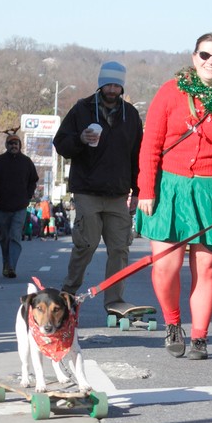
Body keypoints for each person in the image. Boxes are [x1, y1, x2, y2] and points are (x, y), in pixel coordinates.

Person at [135, 35, 212, 360]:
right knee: (165, 267)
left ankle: (200, 337)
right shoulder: (170, 92)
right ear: (194, 57)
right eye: (205, 55)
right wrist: (146, 189)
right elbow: (151, 145)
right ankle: (173, 323)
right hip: (170, 188)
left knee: (206, 267)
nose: (211, 62)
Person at [54, 61, 144, 312]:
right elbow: (60, 143)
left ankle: (114, 300)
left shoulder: (131, 115)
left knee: (120, 249)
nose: (113, 89)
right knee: (86, 245)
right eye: (108, 84)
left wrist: (138, 191)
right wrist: (80, 139)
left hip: (118, 194)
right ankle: (68, 293)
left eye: (117, 85)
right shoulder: (81, 110)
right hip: (87, 191)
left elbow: (138, 156)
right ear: (101, 84)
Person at [0, 135, 38, 278]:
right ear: (6, 145)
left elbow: (33, 180)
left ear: (20, 145)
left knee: (15, 236)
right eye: (10, 144)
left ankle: (11, 266)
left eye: (16, 143)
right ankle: (6, 264)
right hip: (3, 207)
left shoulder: (26, 162)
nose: (13, 146)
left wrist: (28, 195)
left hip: (20, 207)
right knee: (5, 238)